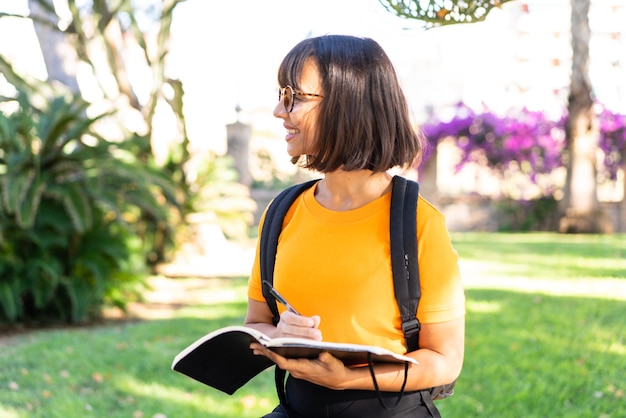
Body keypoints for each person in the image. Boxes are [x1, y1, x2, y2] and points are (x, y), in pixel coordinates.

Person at [244, 34, 465, 418]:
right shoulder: (281, 213)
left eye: (294, 96)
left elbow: (445, 360)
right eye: (281, 94)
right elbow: (257, 324)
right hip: (297, 406)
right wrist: (282, 337)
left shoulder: (419, 223)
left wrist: (348, 379)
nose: (280, 111)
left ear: (348, 104)